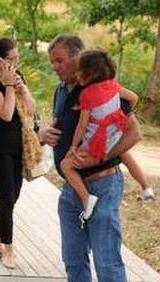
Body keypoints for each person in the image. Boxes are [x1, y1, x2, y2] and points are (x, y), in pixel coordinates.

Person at [40, 34, 141, 282]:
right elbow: (64, 127)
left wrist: (102, 155)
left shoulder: (103, 89)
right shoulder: (62, 90)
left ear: (78, 57)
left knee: (106, 256)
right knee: (73, 256)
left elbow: (134, 133)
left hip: (103, 183)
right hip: (71, 186)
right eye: (52, 62)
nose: (55, 67)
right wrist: (44, 133)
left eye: (59, 60)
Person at [59, 49, 139, 223]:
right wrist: (119, 114)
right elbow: (134, 98)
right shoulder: (113, 87)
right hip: (111, 138)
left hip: (95, 145)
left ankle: (87, 199)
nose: (76, 74)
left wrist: (72, 147)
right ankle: (145, 186)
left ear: (89, 73)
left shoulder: (87, 94)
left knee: (66, 165)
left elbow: (82, 125)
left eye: (79, 71)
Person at [0, 38, 37, 269]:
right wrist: (8, 86)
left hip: (18, 145)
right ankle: (8, 248)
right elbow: (5, 113)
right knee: (6, 196)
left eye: (17, 58)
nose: (15, 63)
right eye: (11, 59)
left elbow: (32, 109)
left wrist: (22, 90)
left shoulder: (17, 75)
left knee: (13, 196)